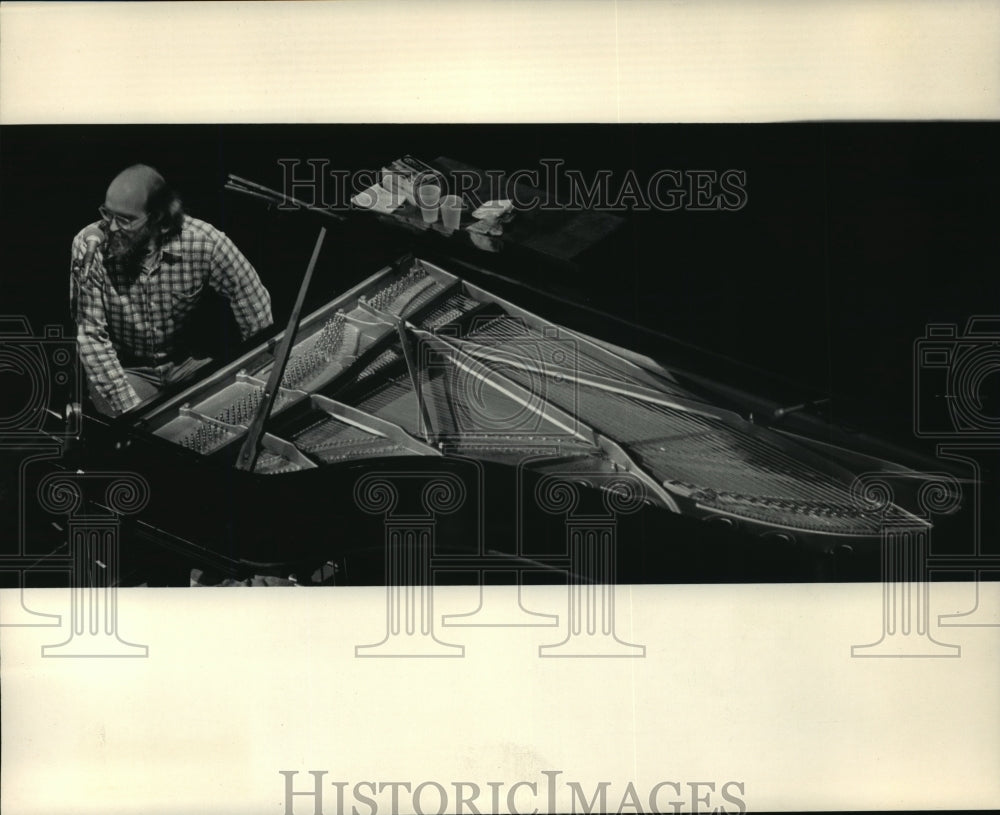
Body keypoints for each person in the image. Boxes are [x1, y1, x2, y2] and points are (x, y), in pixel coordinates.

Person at [71, 164, 273, 416]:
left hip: (185, 363)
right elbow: (90, 336)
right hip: (126, 368)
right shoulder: (89, 246)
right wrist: (132, 411)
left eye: (125, 219)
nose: (111, 228)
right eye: (107, 214)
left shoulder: (204, 241)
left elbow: (252, 301)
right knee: (136, 445)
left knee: (232, 413)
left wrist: (263, 372)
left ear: (160, 222)